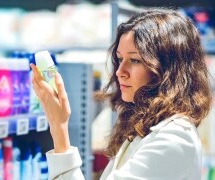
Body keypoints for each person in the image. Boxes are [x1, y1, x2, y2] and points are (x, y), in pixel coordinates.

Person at [30, 9, 213, 180]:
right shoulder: (150, 127)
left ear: (168, 71)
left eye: (134, 60)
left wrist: (59, 127)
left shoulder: (173, 139)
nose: (120, 71)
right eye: (119, 59)